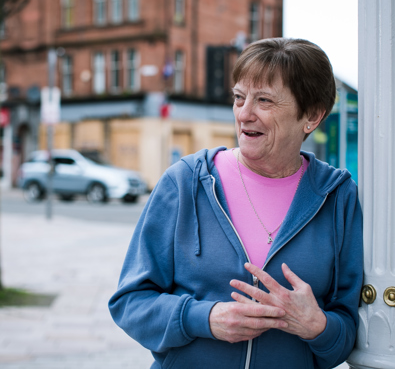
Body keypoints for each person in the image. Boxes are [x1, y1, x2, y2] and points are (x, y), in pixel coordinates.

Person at [109, 38, 363, 369]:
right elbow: (129, 303)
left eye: (265, 101)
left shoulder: (338, 197)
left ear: (312, 116)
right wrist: (204, 318)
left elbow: (345, 338)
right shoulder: (185, 181)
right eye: (239, 98)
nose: (244, 114)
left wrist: (317, 327)